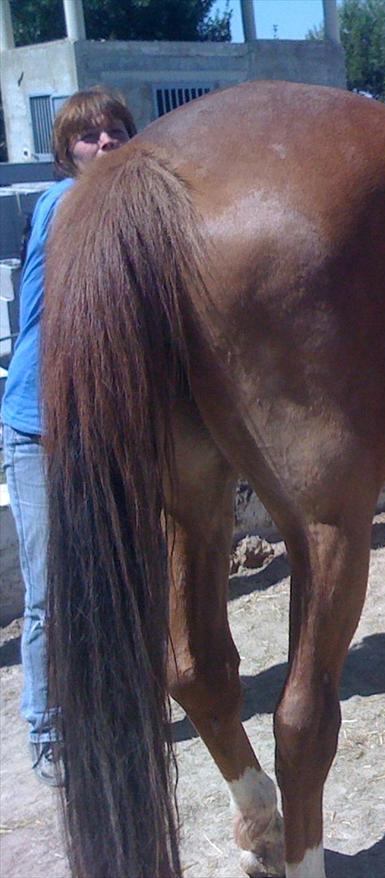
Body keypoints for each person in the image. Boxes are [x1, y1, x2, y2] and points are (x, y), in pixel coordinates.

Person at [1, 86, 136, 786]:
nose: (106, 144)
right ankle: (47, 731)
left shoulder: (119, 213)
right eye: (89, 137)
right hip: (38, 427)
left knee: (108, 583)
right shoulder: (65, 205)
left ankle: (107, 711)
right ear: (66, 154)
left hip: (99, 427)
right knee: (50, 593)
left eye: (116, 132)